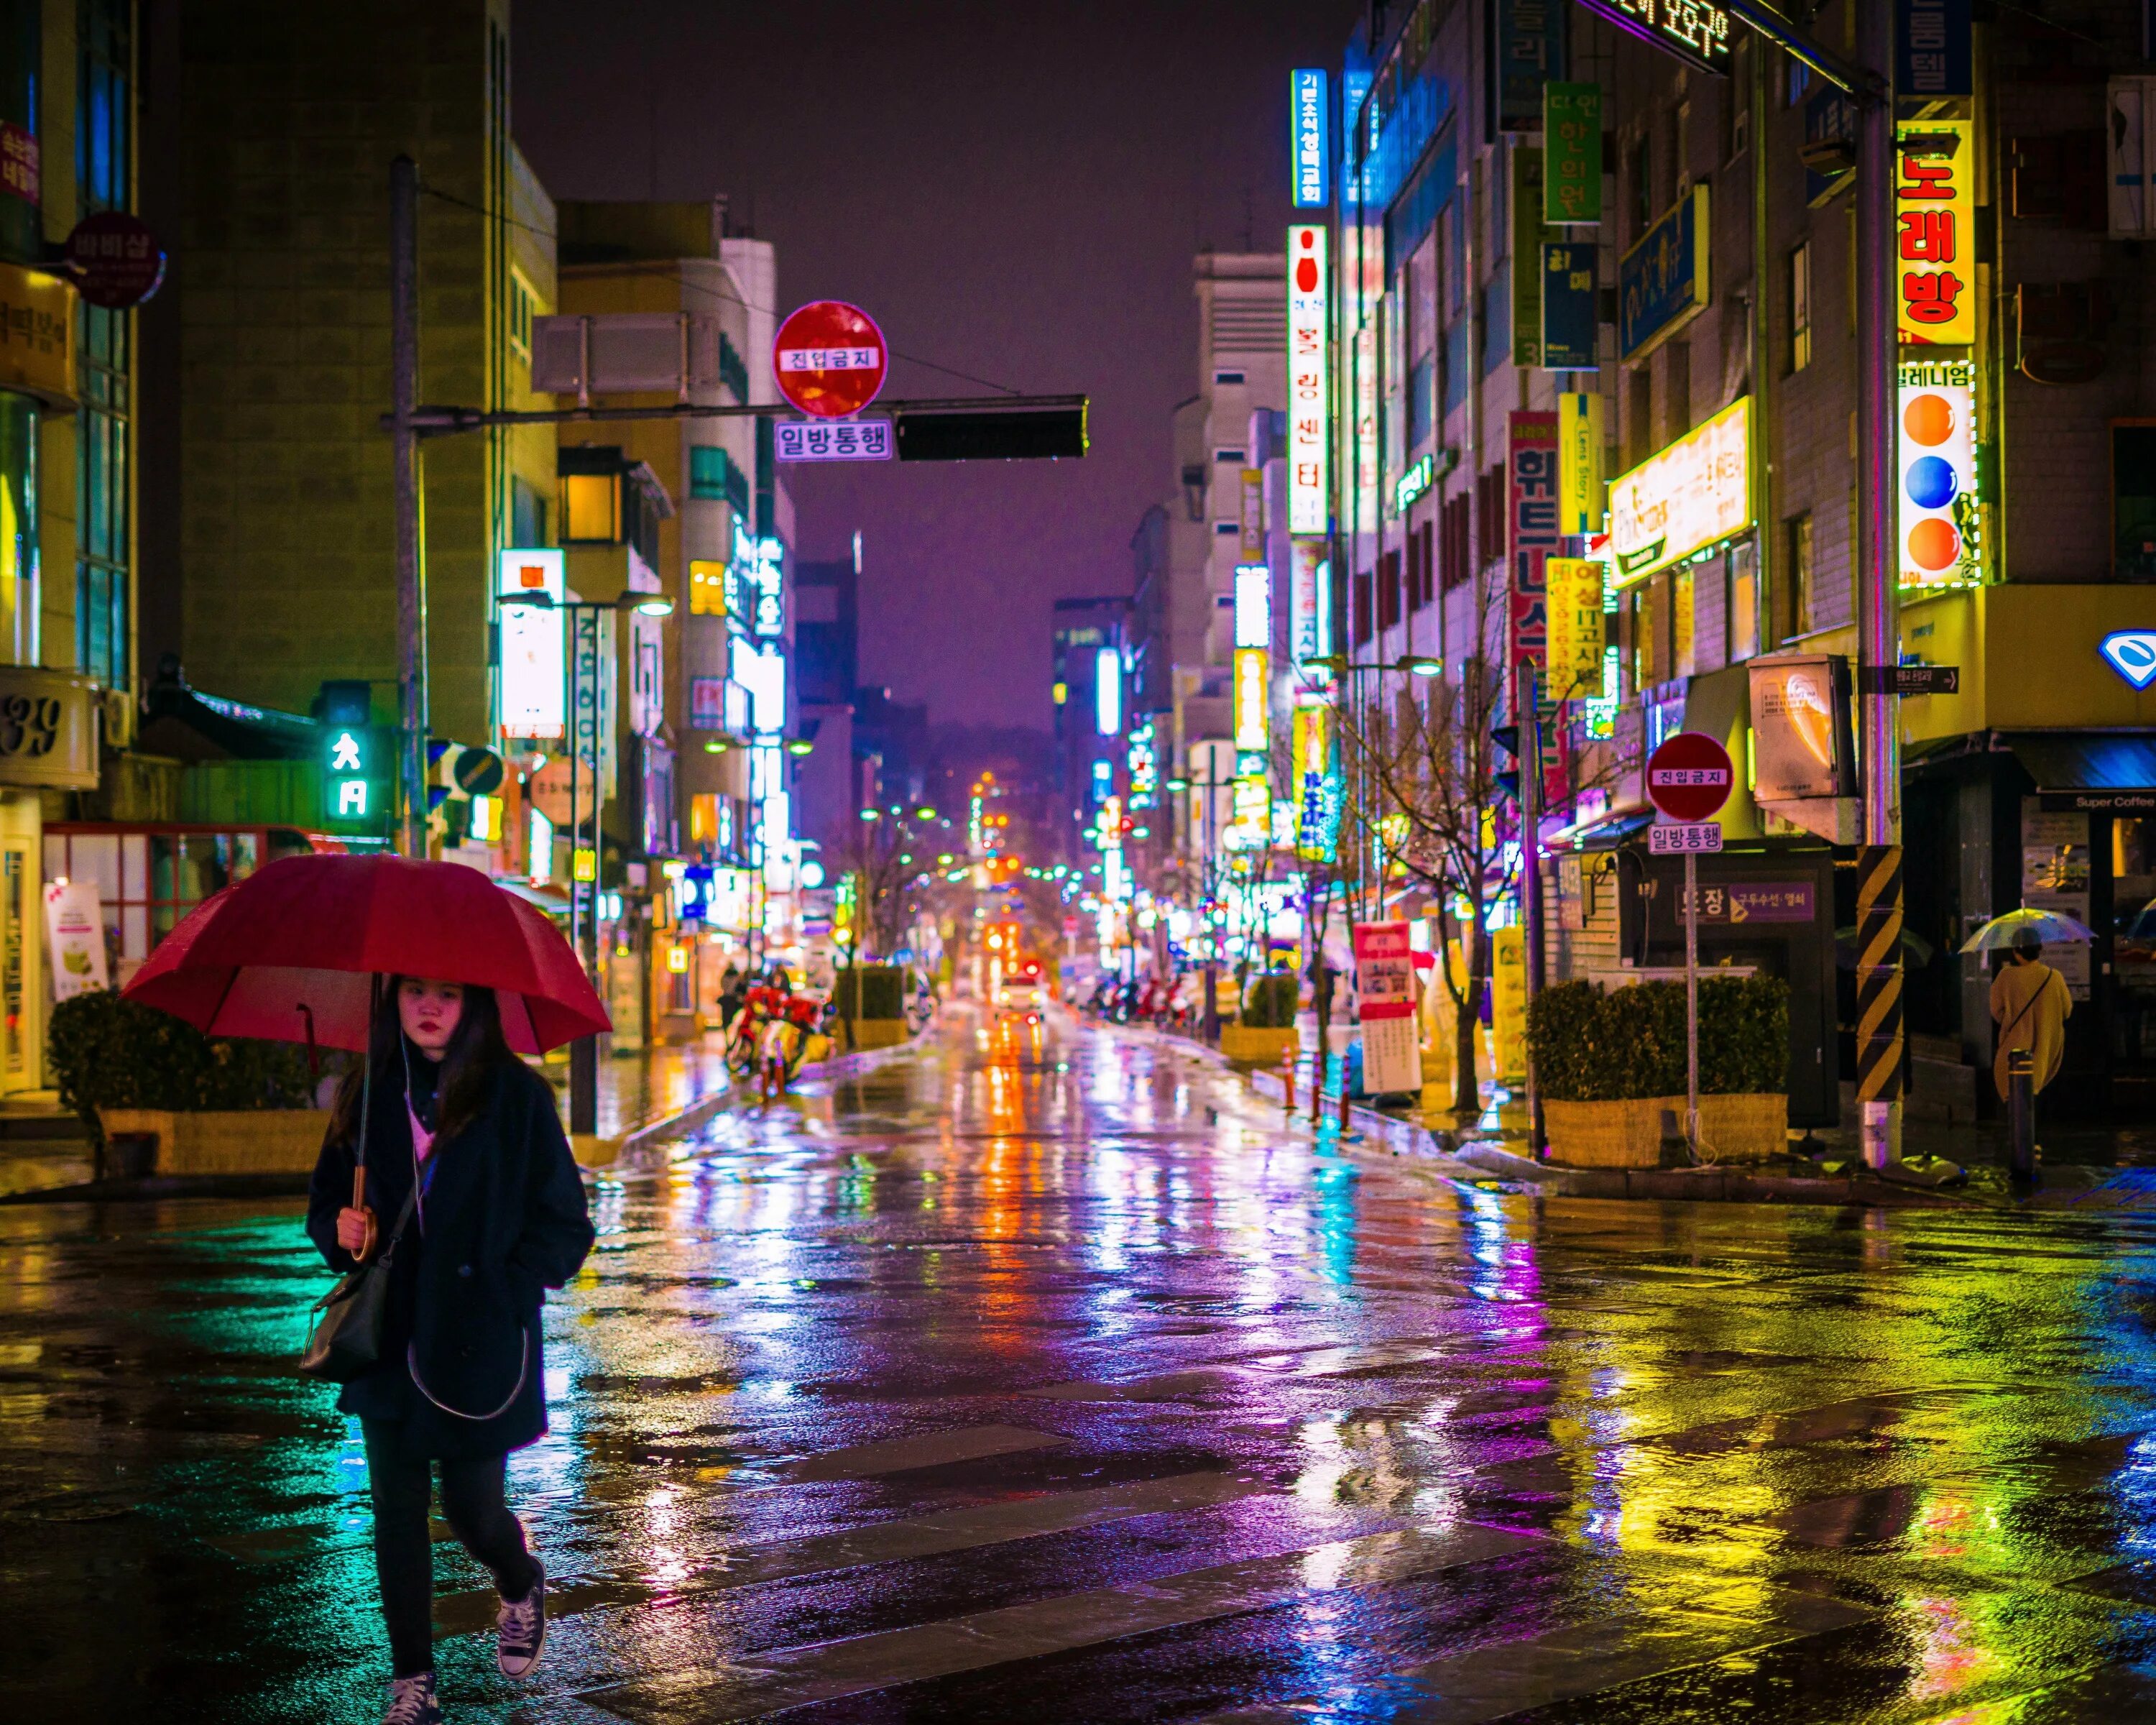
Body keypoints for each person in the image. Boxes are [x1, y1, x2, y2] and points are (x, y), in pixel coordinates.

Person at [307, 977, 596, 1725]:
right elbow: (327, 1211)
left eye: (446, 994)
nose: (428, 1008)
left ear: (475, 1005)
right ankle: (413, 1686)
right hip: (389, 1340)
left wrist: (507, 1287)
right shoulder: (368, 1093)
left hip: (479, 1342)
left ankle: (518, 1575)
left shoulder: (516, 1097)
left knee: (473, 1510)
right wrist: (339, 1234)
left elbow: (565, 1221)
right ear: (391, 1001)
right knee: (396, 1518)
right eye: (412, 993)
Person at [1991, 927, 2073, 1103]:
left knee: (2016, 1109)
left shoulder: (2006, 977)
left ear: (2016, 951)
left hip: (2013, 1056)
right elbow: (2067, 1011)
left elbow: (1996, 1012)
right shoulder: (2054, 977)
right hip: (2045, 1056)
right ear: (2039, 950)